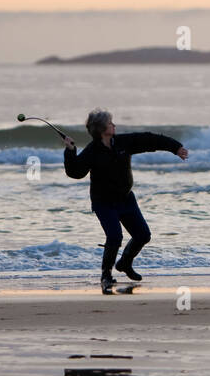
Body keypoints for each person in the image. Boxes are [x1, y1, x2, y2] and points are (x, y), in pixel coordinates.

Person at [61, 109, 188, 292]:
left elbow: (149, 139)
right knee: (114, 236)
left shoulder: (123, 142)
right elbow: (75, 172)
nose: (114, 125)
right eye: (111, 123)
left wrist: (175, 148)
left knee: (143, 235)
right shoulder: (92, 151)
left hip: (126, 199)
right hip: (103, 202)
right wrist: (70, 151)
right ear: (102, 128)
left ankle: (125, 263)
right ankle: (106, 275)